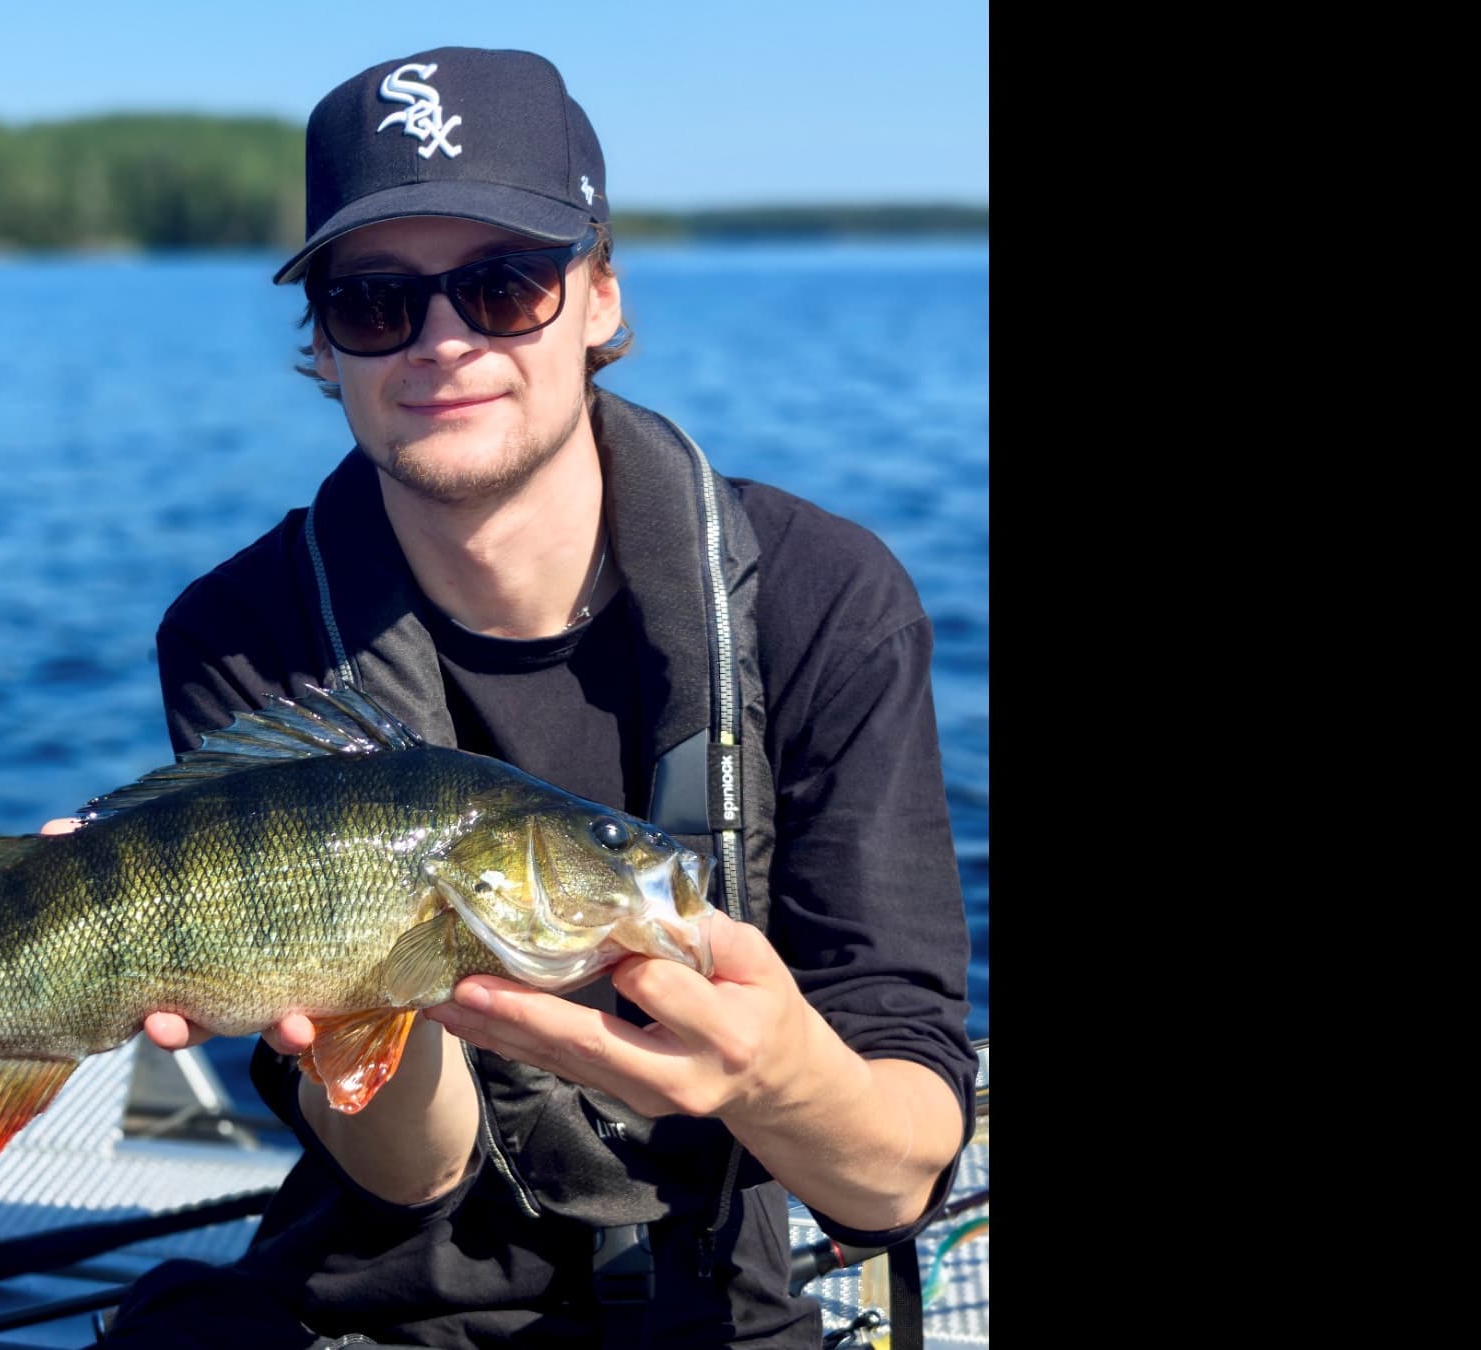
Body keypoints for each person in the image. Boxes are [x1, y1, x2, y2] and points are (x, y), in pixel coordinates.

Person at [84, 46, 977, 1349]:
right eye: (376, 303)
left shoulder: (824, 600)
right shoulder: (242, 632)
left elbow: (891, 1180)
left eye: (505, 285)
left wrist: (774, 1074)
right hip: (379, 1302)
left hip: (718, 1307)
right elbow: (411, 1175)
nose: (444, 342)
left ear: (600, 295)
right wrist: (362, 994)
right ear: (323, 344)